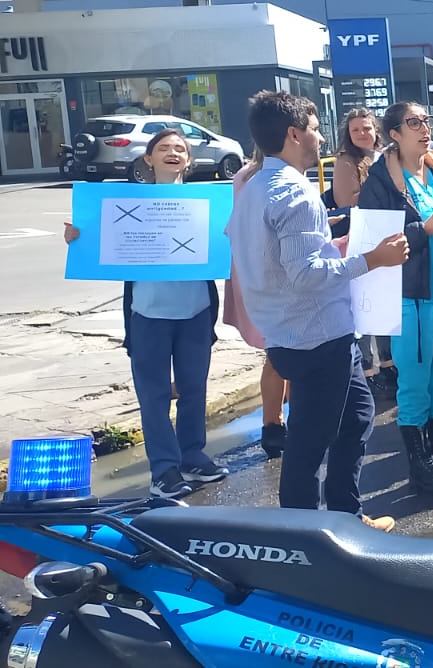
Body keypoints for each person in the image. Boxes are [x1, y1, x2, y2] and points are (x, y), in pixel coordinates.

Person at [230, 91, 407, 530]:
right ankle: (303, 537)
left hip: (291, 330)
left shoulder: (254, 184)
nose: (320, 136)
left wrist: (327, 235)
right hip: (315, 334)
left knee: (358, 415)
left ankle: (347, 515)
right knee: (309, 445)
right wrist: (373, 259)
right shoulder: (296, 192)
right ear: (293, 134)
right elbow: (307, 275)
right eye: (313, 128)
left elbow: (261, 244)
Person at [64, 128, 228, 500]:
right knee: (153, 395)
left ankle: (193, 456)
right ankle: (164, 470)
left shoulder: (208, 202)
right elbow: (91, 240)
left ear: (189, 160)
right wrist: (78, 237)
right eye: (164, 148)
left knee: (193, 389)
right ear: (148, 159)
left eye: (180, 148)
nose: (173, 152)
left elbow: (229, 244)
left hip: (196, 312)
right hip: (147, 313)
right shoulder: (124, 201)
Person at [360, 103, 433, 492]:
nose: (424, 128)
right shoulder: (381, 179)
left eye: (425, 121)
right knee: (415, 378)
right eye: (413, 123)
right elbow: (379, 239)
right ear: (394, 133)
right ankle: (419, 462)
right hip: (409, 293)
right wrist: (425, 230)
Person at [223, 150, 291, 458]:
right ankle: (272, 424)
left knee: (285, 352)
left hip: (278, 269)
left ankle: (282, 421)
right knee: (276, 353)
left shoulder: (282, 171)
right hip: (265, 272)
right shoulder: (250, 176)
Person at [332, 108, 395, 396]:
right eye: (356, 129)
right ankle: (368, 368)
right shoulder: (346, 161)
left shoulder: (385, 155)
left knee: (384, 299)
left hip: (386, 230)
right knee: (365, 301)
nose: (362, 134)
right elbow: (345, 200)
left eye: (367, 128)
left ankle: (389, 361)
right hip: (359, 235)